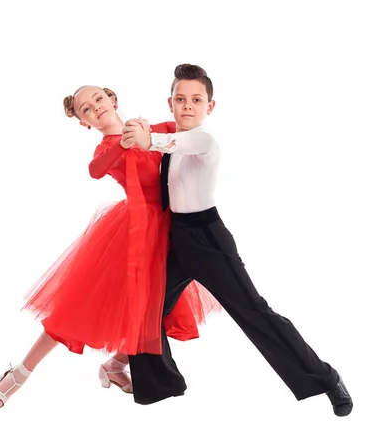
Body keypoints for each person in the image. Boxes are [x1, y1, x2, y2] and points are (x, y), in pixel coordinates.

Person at [123, 64, 353, 416]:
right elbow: (158, 145)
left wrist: (147, 137)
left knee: (254, 312)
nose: (187, 106)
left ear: (209, 107)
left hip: (208, 239)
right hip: (177, 239)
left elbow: (174, 141)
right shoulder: (172, 142)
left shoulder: (202, 140)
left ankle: (326, 378)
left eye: (196, 100)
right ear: (170, 103)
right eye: (180, 99)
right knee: (145, 307)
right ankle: (159, 384)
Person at [0, 85, 219, 409]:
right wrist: (121, 147)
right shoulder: (105, 149)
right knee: (78, 311)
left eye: (98, 99)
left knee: (155, 308)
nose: (95, 107)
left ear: (112, 99)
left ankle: (115, 365)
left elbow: (184, 131)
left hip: (167, 230)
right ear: (85, 122)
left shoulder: (145, 129)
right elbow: (95, 170)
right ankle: (19, 374)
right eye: (85, 109)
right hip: (131, 234)